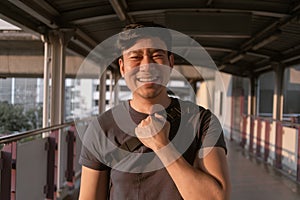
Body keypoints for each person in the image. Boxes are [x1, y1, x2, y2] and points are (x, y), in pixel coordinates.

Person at [79, 22, 231, 200]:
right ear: (122, 67)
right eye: (135, 57)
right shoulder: (102, 128)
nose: (147, 65)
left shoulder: (202, 121)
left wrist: (163, 146)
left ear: (170, 62)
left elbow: (216, 198)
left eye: (157, 55)